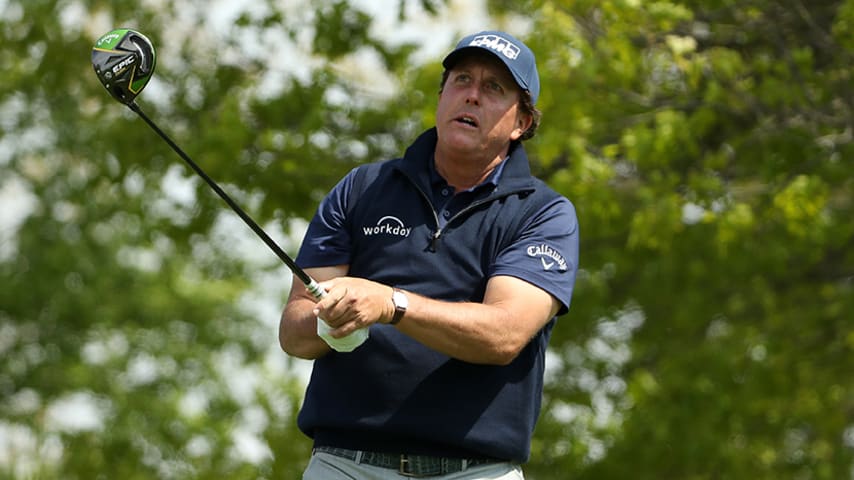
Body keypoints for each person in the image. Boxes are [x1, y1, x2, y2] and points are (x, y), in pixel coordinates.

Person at [279, 30, 579, 479]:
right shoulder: (363, 188)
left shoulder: (544, 214)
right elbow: (294, 332)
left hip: (477, 472)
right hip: (345, 464)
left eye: (494, 87)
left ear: (521, 123)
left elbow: (504, 335)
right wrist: (334, 321)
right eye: (462, 80)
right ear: (442, 97)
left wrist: (391, 304)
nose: (472, 96)